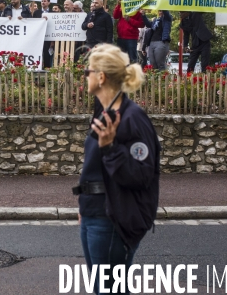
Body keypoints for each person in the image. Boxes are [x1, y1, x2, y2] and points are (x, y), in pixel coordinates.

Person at [76, 43, 160, 295]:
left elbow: (142, 174)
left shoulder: (132, 117)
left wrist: (111, 147)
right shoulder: (106, 112)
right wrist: (85, 205)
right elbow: (94, 168)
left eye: (87, 71)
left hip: (112, 218)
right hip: (94, 213)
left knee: (109, 290)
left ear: (101, 77)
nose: (85, 77)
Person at [113, 0, 143, 64]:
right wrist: (118, 4)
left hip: (131, 38)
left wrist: (130, 20)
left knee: (132, 59)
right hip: (120, 37)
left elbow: (141, 24)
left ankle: (133, 73)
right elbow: (115, 16)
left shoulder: (137, 10)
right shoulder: (123, 8)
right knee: (120, 59)